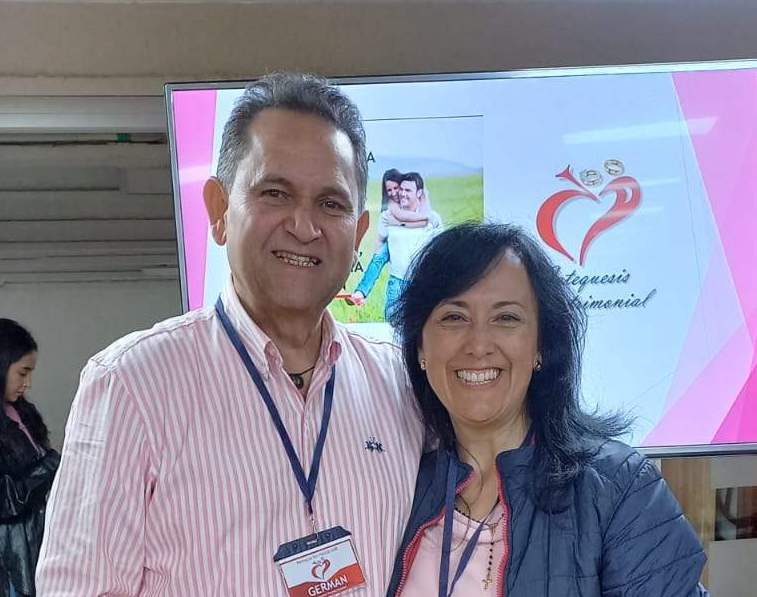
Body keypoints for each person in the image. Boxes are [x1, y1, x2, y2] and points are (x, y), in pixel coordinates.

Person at [36, 73, 424, 596]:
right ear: (219, 210)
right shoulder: (131, 385)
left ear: (358, 233)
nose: (304, 226)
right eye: (275, 193)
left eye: (331, 204)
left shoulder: (401, 384)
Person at [385, 223, 708, 596]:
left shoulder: (619, 490)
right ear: (420, 348)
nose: (478, 344)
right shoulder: (400, 485)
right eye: (454, 317)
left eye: (506, 318)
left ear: (540, 346)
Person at [0, 319, 60, 597]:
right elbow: (6, 499)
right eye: (23, 373)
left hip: (36, 553)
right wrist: (52, 464)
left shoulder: (21, 412)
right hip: (11, 565)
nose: (28, 383)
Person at [350, 172, 442, 320]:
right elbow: (379, 258)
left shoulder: (433, 218)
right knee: (392, 327)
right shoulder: (388, 217)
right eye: (402, 190)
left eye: (408, 190)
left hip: (423, 284)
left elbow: (440, 255)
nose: (402, 194)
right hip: (397, 285)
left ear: (419, 193)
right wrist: (361, 291)